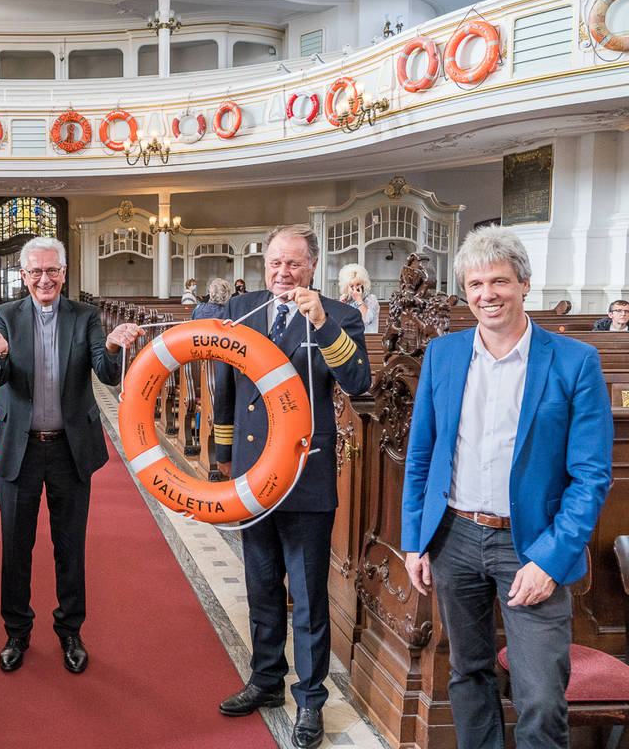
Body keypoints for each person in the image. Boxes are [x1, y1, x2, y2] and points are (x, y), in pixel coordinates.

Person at [402, 226, 612, 749]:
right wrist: (414, 539)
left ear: (523, 284)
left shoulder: (574, 361)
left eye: (498, 281)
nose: (486, 294)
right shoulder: (443, 355)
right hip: (453, 537)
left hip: (531, 545)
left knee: (541, 695)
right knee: (468, 676)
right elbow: (422, 455)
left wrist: (552, 559)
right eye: (475, 284)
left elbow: (590, 476)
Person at [213, 224, 371, 749]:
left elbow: (358, 382)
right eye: (276, 263)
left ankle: (310, 701)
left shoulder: (340, 315)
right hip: (253, 473)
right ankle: (265, 681)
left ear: (313, 267)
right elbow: (226, 383)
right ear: (266, 265)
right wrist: (221, 454)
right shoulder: (243, 309)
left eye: (295, 264)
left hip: (306, 475)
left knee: (306, 595)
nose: (284, 273)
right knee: (260, 586)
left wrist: (323, 324)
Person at [0, 236, 143, 676]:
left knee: (70, 546)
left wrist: (119, 345)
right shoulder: (4, 316)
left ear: (64, 273)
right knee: (16, 546)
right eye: (35, 272)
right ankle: (17, 632)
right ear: (24, 275)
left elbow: (105, 372)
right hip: (20, 448)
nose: (44, 279)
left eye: (52, 271)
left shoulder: (84, 316)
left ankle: (70, 631)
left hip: (70, 449)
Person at [337, 262, 380, 334]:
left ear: (363, 284)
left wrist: (359, 300)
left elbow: (366, 320)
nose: (355, 288)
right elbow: (339, 323)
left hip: (368, 339)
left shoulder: (371, 299)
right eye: (351, 286)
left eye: (358, 284)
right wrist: (341, 305)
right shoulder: (347, 300)